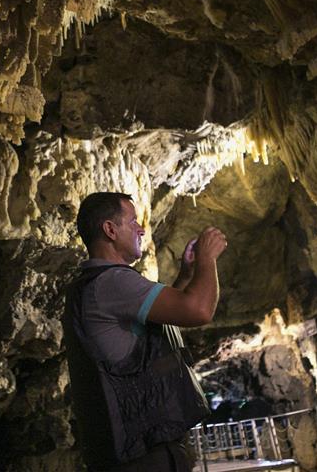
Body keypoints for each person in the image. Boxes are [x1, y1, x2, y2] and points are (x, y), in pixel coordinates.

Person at [62, 191, 228, 471]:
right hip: (144, 457)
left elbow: (160, 323)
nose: (141, 228)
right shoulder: (113, 283)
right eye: (133, 221)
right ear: (110, 230)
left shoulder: (96, 285)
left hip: (137, 451)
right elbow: (198, 310)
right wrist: (207, 259)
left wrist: (187, 273)